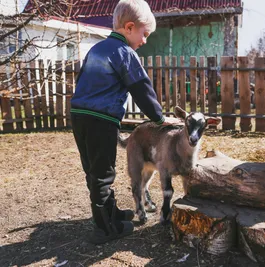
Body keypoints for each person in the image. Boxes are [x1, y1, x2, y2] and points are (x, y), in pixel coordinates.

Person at [70, 0, 181, 244]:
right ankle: (104, 229)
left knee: (93, 170)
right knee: (103, 174)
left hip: (78, 116)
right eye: (145, 34)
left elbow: (82, 82)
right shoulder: (125, 53)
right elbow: (142, 89)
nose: (145, 41)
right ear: (130, 27)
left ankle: (110, 214)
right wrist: (160, 118)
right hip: (101, 121)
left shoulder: (96, 50)